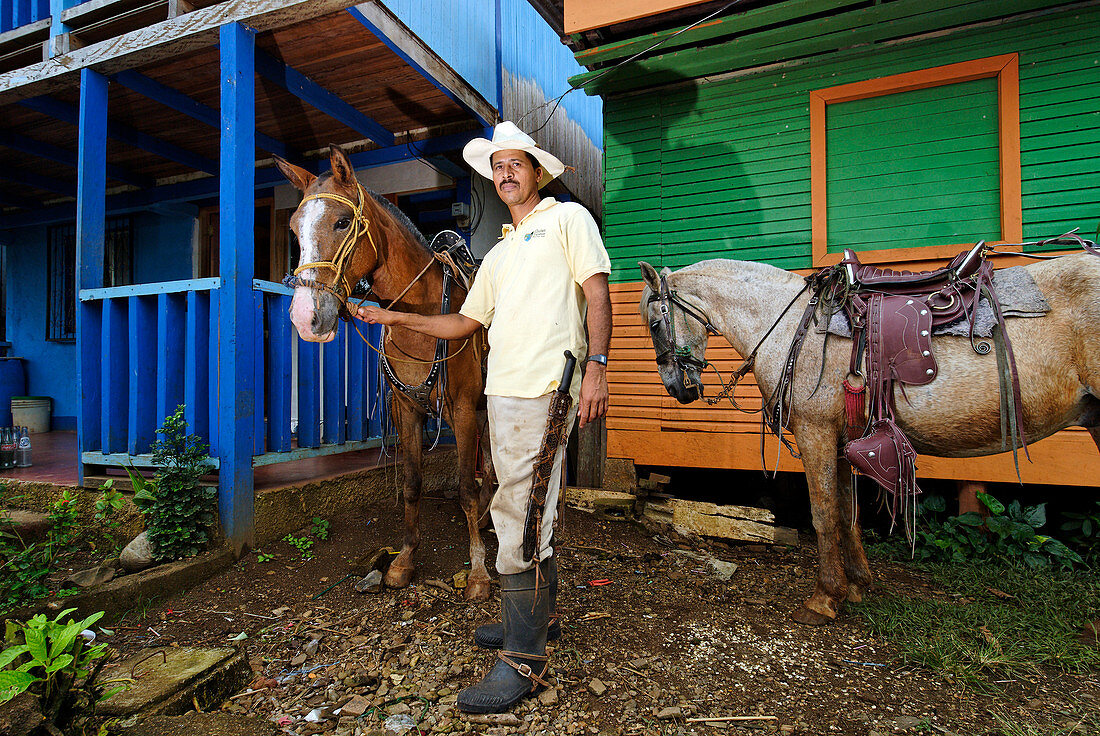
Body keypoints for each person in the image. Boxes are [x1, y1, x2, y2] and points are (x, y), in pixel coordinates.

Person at [355, 121, 612, 713]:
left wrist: (597, 365)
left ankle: (521, 661)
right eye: (497, 167)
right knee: (524, 504)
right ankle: (531, 622)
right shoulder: (497, 253)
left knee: (519, 511)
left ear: (537, 171)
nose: (505, 173)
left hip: (549, 389)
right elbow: (463, 325)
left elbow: (598, 295)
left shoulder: (568, 222)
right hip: (504, 395)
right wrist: (392, 320)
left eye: (515, 163)